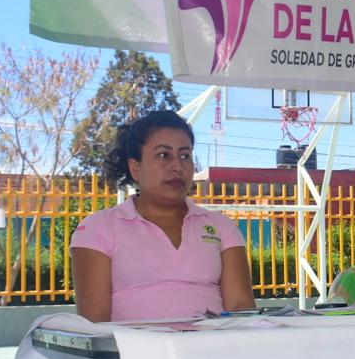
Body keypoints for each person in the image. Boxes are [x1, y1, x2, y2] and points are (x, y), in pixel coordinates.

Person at [71, 111, 254, 322]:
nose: (178, 166)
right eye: (163, 155)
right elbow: (96, 322)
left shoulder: (222, 227)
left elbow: (241, 308)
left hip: (209, 349)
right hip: (132, 352)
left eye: (185, 156)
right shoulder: (98, 229)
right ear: (135, 168)